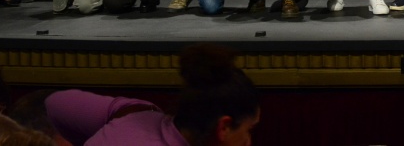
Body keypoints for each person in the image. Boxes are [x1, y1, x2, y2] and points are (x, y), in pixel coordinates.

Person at [45, 44, 260, 146]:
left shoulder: (134, 111)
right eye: (248, 130)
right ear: (224, 127)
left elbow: (54, 103)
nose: (248, 142)